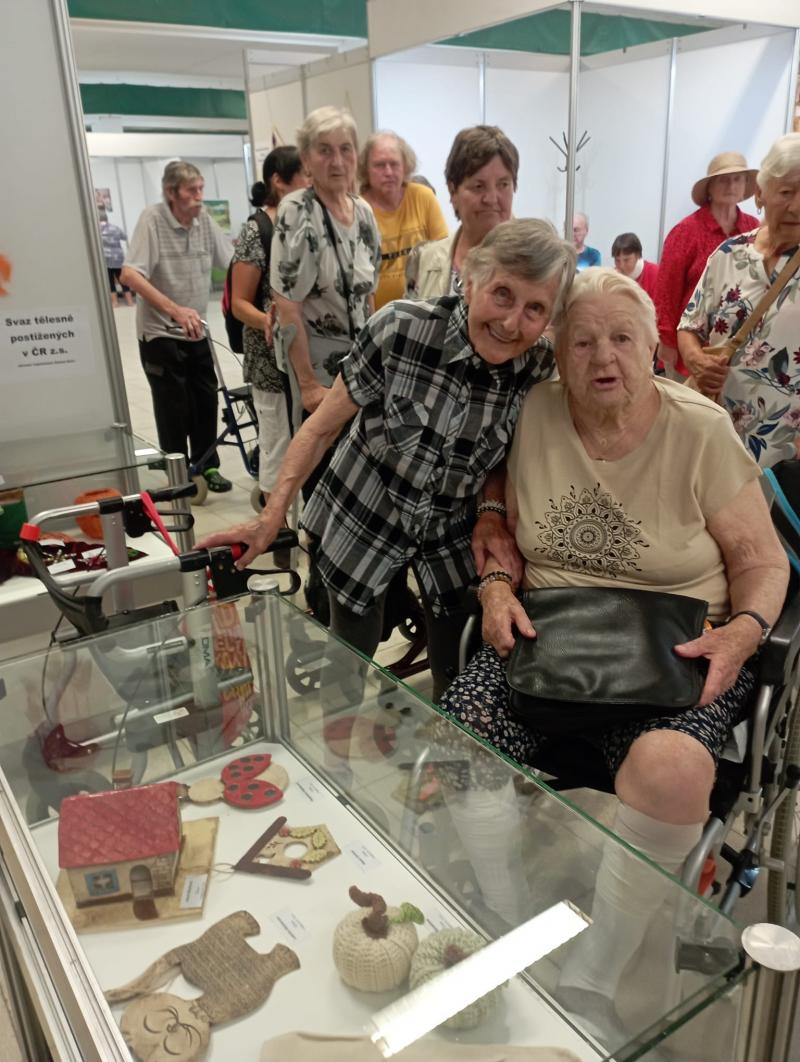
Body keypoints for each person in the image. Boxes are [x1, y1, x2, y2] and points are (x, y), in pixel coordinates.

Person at [438, 267, 787, 1027]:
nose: (604, 358)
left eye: (623, 339)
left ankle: (597, 967)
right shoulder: (534, 410)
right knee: (457, 734)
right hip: (548, 643)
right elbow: (494, 488)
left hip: (676, 655)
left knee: (672, 770)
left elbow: (763, 562)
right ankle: (506, 918)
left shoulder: (699, 430)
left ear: (653, 347)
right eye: (583, 342)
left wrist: (744, 632)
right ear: (558, 356)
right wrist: (494, 578)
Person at [199, 219, 576, 700]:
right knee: (347, 660)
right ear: (471, 279)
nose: (511, 323)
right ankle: (338, 745)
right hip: (365, 510)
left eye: (535, 309)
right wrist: (270, 516)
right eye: (502, 295)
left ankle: (441, 744)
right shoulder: (401, 329)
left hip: (448, 526)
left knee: (456, 669)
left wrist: (489, 512)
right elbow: (321, 428)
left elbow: (505, 453)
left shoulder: (536, 367)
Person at [678, 134, 800, 467]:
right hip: (710, 434)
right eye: (786, 192)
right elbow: (689, 324)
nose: (796, 206)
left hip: (783, 455)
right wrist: (696, 361)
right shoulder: (729, 254)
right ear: (761, 193)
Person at [121, 161, 234, 494]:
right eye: (191, 190)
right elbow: (130, 275)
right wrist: (175, 310)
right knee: (174, 407)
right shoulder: (153, 220)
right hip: (159, 333)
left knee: (205, 401)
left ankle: (207, 465)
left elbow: (232, 263)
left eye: (201, 188)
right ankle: (178, 471)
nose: (199, 196)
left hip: (196, 330)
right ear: (171, 193)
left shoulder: (204, 221)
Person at [230, 147, 309, 509]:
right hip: (270, 365)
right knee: (278, 447)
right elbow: (239, 302)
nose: (312, 182)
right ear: (279, 180)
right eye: (305, 175)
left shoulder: (309, 223)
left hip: (308, 360)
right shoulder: (257, 230)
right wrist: (267, 321)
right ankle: (276, 528)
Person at [654, 151, 758, 379]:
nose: (731, 185)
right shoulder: (686, 231)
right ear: (710, 188)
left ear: (745, 186)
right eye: (723, 180)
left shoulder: (753, 229)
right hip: (689, 347)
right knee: (688, 401)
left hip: (741, 351)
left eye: (738, 179)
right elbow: (666, 290)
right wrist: (666, 340)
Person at [405, 126, 518, 300]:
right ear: (453, 191)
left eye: (503, 184)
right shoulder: (425, 260)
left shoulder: (538, 261)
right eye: (478, 186)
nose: (491, 198)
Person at [359, 132, 448, 309]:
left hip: (425, 309)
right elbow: (362, 281)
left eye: (394, 164)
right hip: (378, 315)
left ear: (405, 167)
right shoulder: (359, 209)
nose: (388, 172)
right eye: (379, 165)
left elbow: (444, 255)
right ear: (366, 170)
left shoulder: (423, 197)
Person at [98, 209, 133, 307]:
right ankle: (130, 302)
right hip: (118, 258)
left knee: (110, 281)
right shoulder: (115, 228)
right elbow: (125, 237)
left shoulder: (97, 230)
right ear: (106, 218)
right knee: (122, 280)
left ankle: (115, 302)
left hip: (106, 259)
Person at [610, 232, 658, 300]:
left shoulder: (655, 273)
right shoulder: (613, 276)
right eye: (617, 260)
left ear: (637, 255)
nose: (621, 266)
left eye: (626, 260)